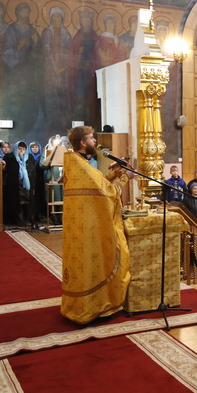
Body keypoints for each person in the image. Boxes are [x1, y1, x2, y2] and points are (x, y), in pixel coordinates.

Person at [61, 126, 130, 324]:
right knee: (96, 262)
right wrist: (125, 177)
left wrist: (114, 175)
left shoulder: (77, 163)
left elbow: (97, 187)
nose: (94, 142)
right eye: (91, 138)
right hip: (89, 230)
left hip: (83, 226)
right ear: (83, 143)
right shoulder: (79, 164)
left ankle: (83, 306)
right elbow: (107, 194)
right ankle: (91, 307)